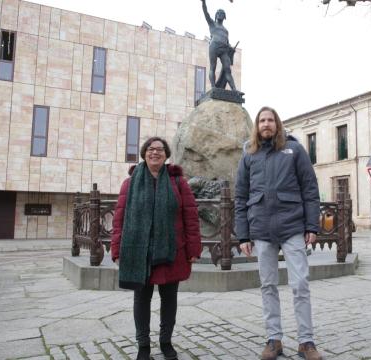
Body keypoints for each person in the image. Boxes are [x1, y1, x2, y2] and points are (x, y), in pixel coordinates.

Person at [234, 106, 323, 360]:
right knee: (268, 285)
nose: (266, 124)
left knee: (300, 284)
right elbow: (241, 196)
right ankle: (274, 340)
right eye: (262, 120)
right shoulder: (248, 154)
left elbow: (310, 189)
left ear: (277, 124)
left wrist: (311, 226)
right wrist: (243, 235)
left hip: (292, 226)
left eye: (270, 120)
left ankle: (306, 342)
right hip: (261, 229)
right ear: (257, 125)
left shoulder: (294, 149)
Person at [111, 137, 202, 360]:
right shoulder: (130, 183)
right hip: (138, 252)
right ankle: (143, 346)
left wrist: (193, 249)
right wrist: (116, 249)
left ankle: (166, 341)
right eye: (151, 149)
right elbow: (119, 219)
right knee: (141, 299)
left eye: (160, 150)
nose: (155, 153)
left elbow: (190, 217)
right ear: (144, 153)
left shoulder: (178, 182)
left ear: (166, 154)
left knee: (169, 298)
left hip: (172, 251)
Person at [201, 0, 238, 91]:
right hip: (214, 46)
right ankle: (213, 87)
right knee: (213, 67)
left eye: (222, 13)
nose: (220, 15)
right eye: (218, 13)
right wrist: (203, 2)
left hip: (223, 50)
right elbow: (206, 12)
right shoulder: (212, 24)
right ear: (216, 15)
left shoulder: (226, 31)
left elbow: (227, 42)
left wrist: (231, 48)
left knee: (227, 69)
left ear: (224, 17)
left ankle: (234, 89)